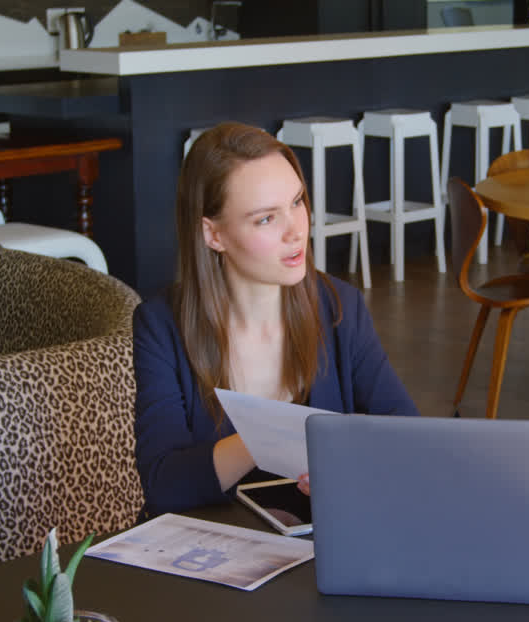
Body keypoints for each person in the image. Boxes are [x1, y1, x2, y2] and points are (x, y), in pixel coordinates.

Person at [133, 122, 417, 517]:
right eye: (266, 218)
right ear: (213, 235)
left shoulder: (340, 308)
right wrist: (270, 434)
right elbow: (164, 485)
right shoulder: (160, 326)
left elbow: (407, 434)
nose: (296, 231)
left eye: (297, 202)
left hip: (317, 541)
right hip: (210, 546)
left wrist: (351, 463)